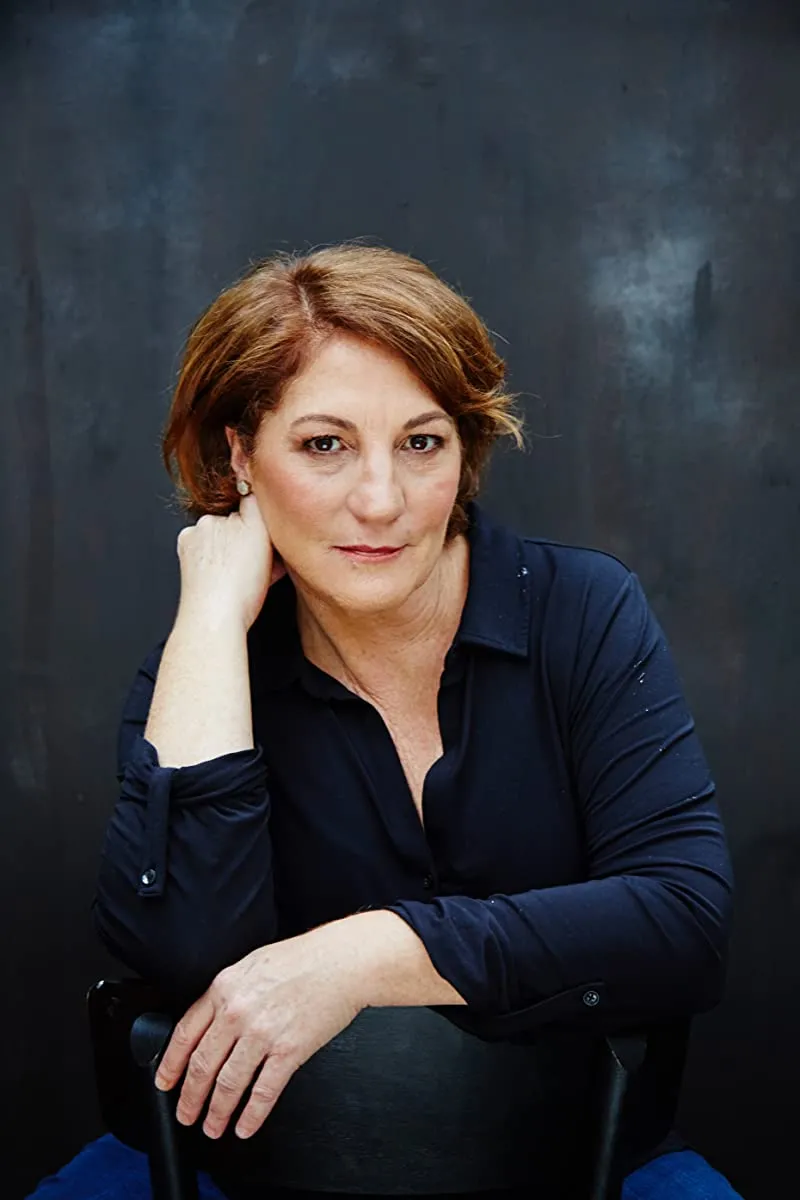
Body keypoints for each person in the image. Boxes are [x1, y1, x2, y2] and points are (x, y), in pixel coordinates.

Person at [31, 245, 740, 1199]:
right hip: (254, 1173)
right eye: (324, 445)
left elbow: (684, 922)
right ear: (240, 456)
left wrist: (367, 955)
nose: (382, 501)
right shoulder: (205, 666)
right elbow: (183, 952)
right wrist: (209, 616)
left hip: (582, 1159)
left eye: (422, 442)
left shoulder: (580, 610)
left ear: (464, 449)